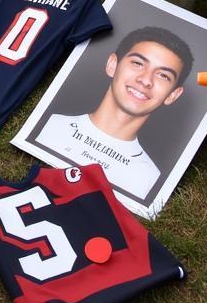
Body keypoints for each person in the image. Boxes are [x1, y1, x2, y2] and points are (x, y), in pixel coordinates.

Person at [37, 26, 192, 200]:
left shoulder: (149, 179)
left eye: (163, 75)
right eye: (138, 63)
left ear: (172, 95)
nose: (146, 80)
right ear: (112, 65)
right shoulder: (49, 125)